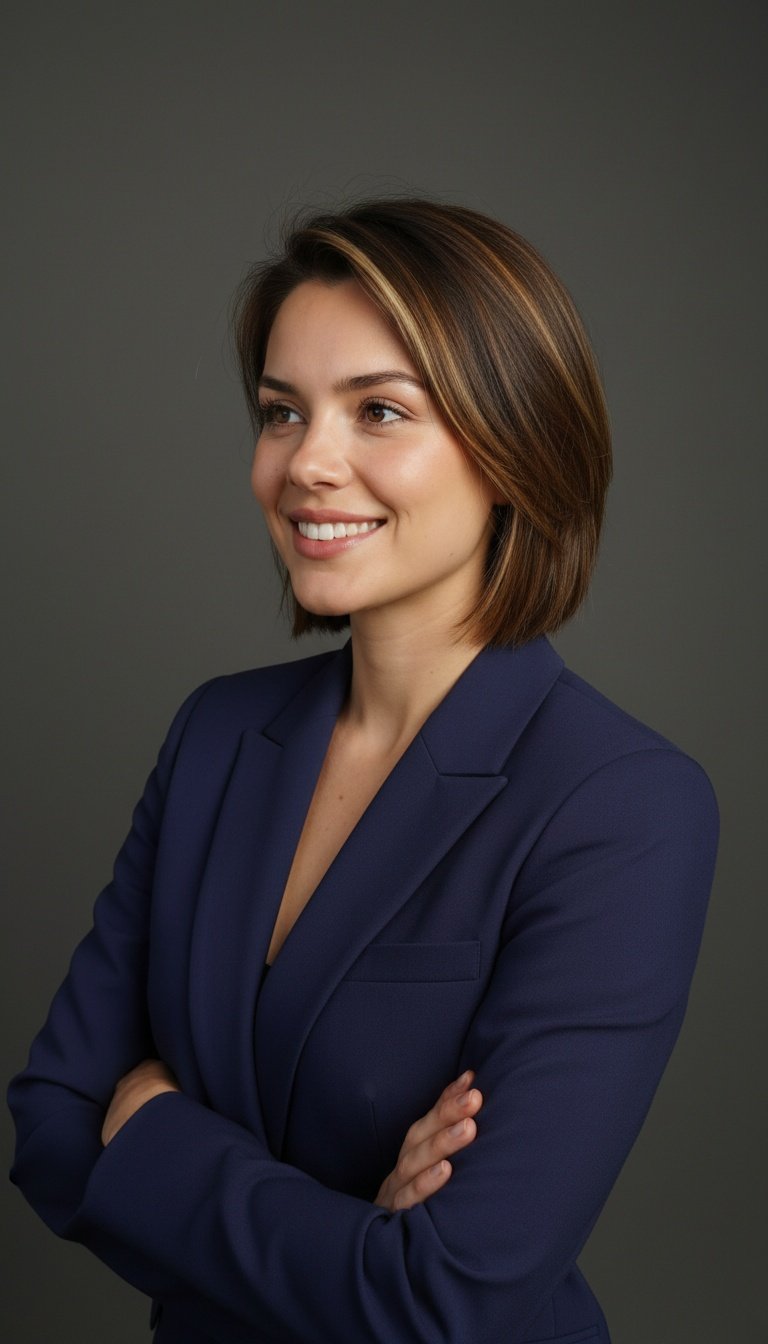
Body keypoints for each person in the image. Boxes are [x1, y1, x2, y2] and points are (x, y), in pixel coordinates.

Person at [7, 197, 720, 1344]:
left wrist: (153, 1138)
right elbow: (50, 1123)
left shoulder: (624, 807)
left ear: (513, 444)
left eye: (379, 410)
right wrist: (355, 1243)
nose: (307, 463)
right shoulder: (216, 735)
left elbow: (448, 1295)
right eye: (281, 412)